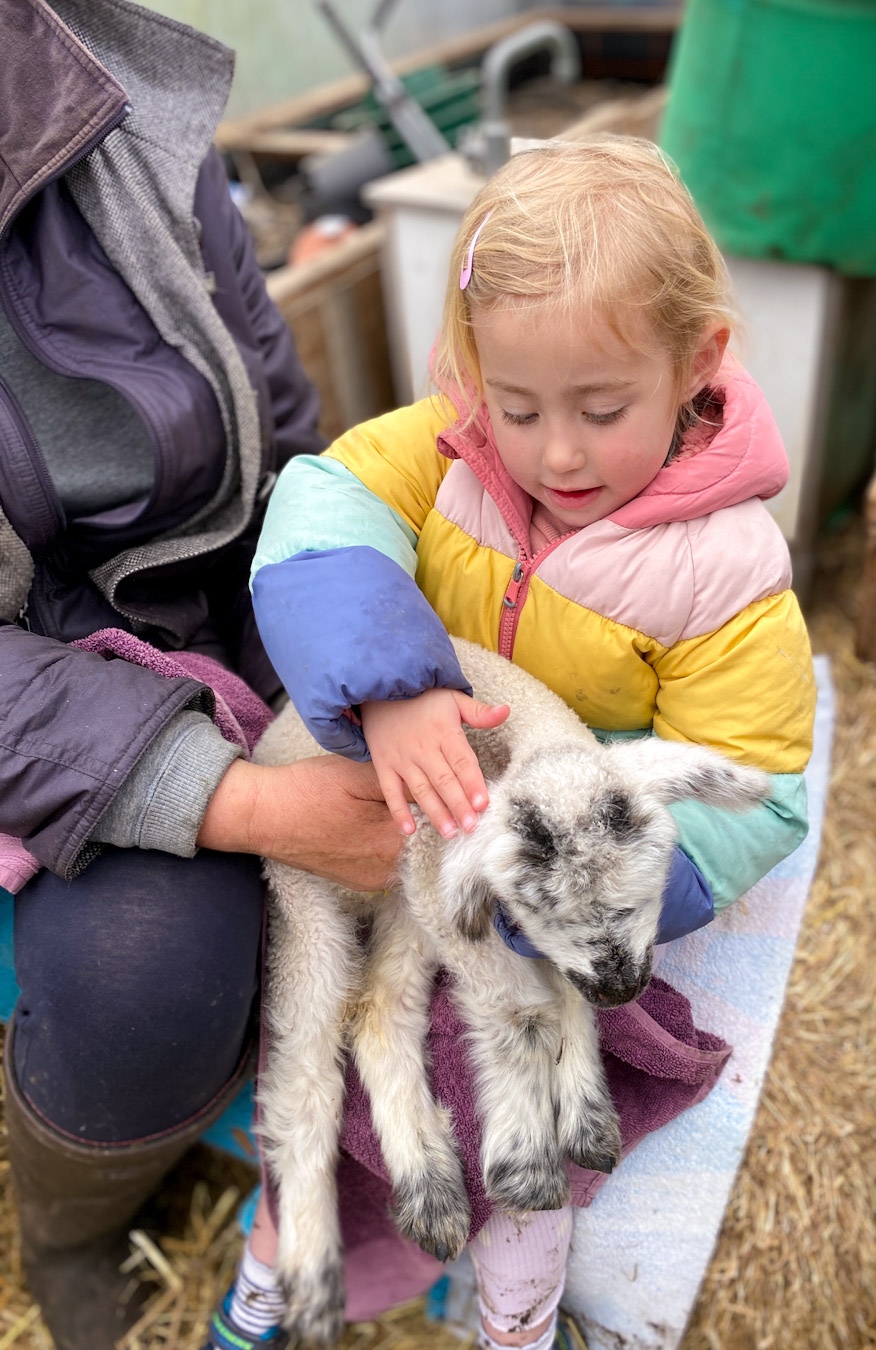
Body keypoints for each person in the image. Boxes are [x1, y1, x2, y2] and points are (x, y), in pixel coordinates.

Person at [213, 137, 817, 1350]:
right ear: (472, 368)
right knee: (325, 1043)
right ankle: (275, 1280)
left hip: (542, 864)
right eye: (519, 404)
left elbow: (760, 786)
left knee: (516, 1097)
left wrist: (581, 878)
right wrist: (387, 684)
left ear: (697, 366)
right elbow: (318, 509)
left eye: (603, 410)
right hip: (407, 812)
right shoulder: (441, 450)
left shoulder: (725, 569)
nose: (553, 454)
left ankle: (517, 1315)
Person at [0, 3, 405, 1348]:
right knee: (151, 965)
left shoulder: (113, 99)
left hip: (193, 604)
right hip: (30, 676)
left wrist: (347, 641)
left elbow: (282, 430)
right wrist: (236, 801)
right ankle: (70, 1225)